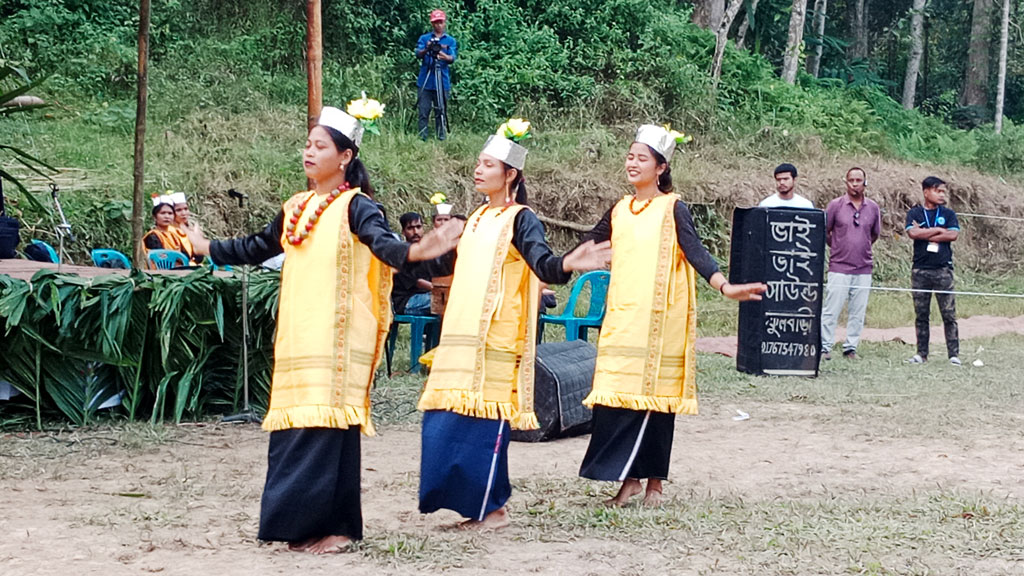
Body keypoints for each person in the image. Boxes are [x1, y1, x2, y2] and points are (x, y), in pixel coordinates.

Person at [185, 102, 462, 554]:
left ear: (345, 156)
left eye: (320, 146)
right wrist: (208, 247)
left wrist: (417, 252)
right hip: (298, 334)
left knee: (328, 431)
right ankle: (300, 527)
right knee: (295, 429)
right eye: (307, 144)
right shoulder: (297, 206)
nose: (309, 152)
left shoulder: (358, 206)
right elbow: (256, 246)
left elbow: (384, 246)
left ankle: (337, 527)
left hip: (335, 338)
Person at [416, 119, 611, 530]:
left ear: (511, 175)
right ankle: (475, 505)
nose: (478, 169)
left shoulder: (522, 219)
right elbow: (446, 264)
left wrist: (566, 264)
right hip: (460, 337)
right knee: (443, 421)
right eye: (478, 163)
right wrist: (429, 246)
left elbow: (542, 262)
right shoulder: (473, 220)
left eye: (488, 164)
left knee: (483, 428)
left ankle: (494, 510)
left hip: (496, 337)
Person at [579, 125, 766, 507]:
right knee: (617, 400)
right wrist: (544, 265)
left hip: (660, 321)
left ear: (661, 167)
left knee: (657, 402)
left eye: (641, 158)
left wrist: (724, 285)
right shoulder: (618, 209)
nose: (632, 163)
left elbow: (694, 250)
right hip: (622, 320)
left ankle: (655, 485)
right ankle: (628, 479)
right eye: (630, 156)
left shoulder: (672, 207)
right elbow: (588, 245)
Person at [820, 167, 881, 360]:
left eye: (859, 180)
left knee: (858, 311)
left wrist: (860, 245)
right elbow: (825, 231)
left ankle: (850, 347)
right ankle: (824, 347)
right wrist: (838, 246)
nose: (855, 184)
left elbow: (874, 234)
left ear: (865, 183)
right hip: (839, 266)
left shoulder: (873, 208)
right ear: (846, 182)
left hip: (863, 267)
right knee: (831, 309)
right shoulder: (836, 205)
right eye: (851, 180)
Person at [905, 176, 961, 366]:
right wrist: (938, 230)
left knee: (949, 314)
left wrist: (927, 232)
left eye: (943, 191)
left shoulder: (949, 213)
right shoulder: (914, 213)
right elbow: (913, 233)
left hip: (943, 269)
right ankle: (922, 353)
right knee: (921, 314)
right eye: (938, 191)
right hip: (920, 270)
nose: (942, 195)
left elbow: (953, 234)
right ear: (926, 191)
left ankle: (953, 354)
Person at [415, 9, 457, 141]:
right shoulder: (424, 38)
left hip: (442, 81)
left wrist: (442, 54)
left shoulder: (450, 40)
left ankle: (441, 137)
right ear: (432, 24)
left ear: (444, 23)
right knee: (423, 111)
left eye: (441, 22)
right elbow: (418, 54)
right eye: (436, 22)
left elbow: (452, 58)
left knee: (441, 110)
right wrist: (428, 48)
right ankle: (422, 137)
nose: (438, 25)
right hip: (426, 81)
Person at [392, 212, 434, 315]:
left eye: (418, 227)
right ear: (403, 232)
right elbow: (419, 282)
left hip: (426, 296)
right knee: (447, 301)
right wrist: (444, 291)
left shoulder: (427, 252)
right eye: (410, 228)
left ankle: (433, 331)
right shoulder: (400, 254)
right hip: (407, 302)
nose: (415, 232)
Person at [142, 195, 186, 268]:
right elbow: (162, 257)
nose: (167, 216)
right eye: (163, 213)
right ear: (154, 217)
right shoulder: (152, 236)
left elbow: (185, 255)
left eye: (170, 213)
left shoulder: (174, 235)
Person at [168, 191, 203, 264]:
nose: (183, 213)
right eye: (178, 210)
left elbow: (200, 258)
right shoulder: (168, 232)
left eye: (186, 209)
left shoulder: (191, 230)